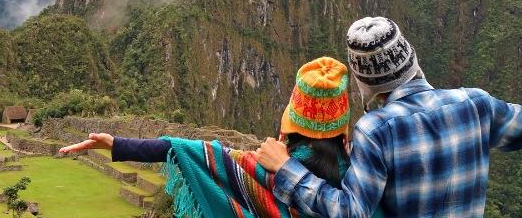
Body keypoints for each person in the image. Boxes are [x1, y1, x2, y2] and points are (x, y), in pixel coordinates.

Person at [253, 17, 522, 217]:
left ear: (365, 86)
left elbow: (349, 212)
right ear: (413, 62)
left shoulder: (376, 129)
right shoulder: (475, 105)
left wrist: (287, 170)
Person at [61, 57, 382, 217]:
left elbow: (195, 151)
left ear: (292, 119)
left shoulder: (262, 170)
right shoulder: (366, 177)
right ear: (342, 124)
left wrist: (116, 143)